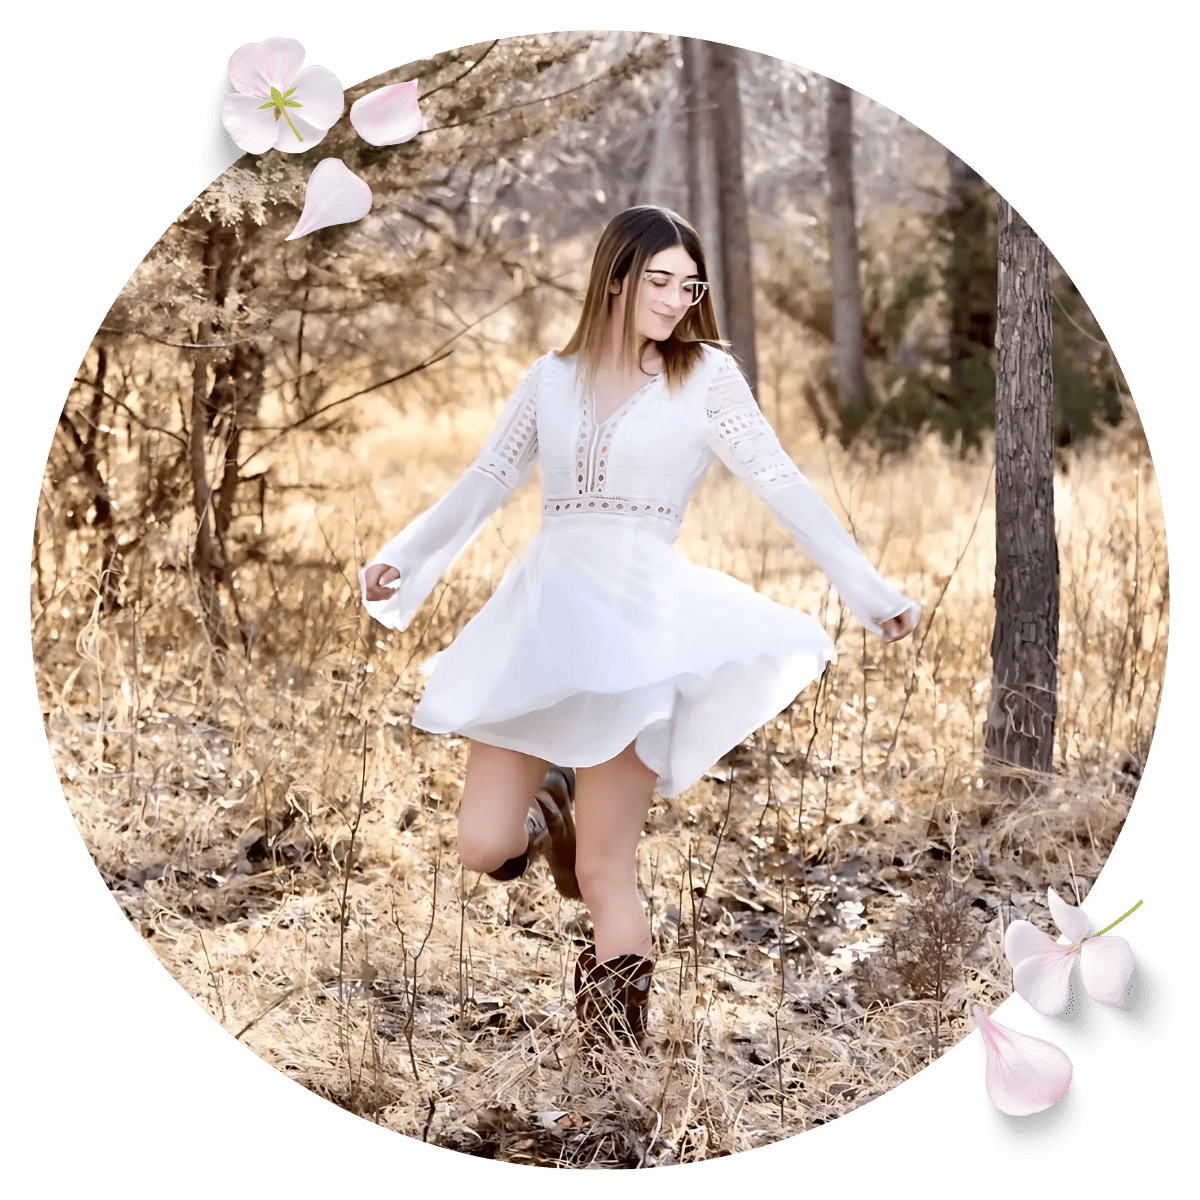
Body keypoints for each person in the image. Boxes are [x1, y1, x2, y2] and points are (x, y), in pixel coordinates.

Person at [361, 206, 918, 1054]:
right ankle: (554, 803)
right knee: (482, 844)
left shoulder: (707, 379)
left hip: (637, 633)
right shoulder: (551, 377)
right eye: (659, 280)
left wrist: (867, 589)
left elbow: (782, 483)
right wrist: (404, 558)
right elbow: (485, 480)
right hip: (540, 626)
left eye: (688, 285)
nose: (675, 298)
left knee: (602, 871)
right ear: (615, 278)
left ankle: (614, 1061)